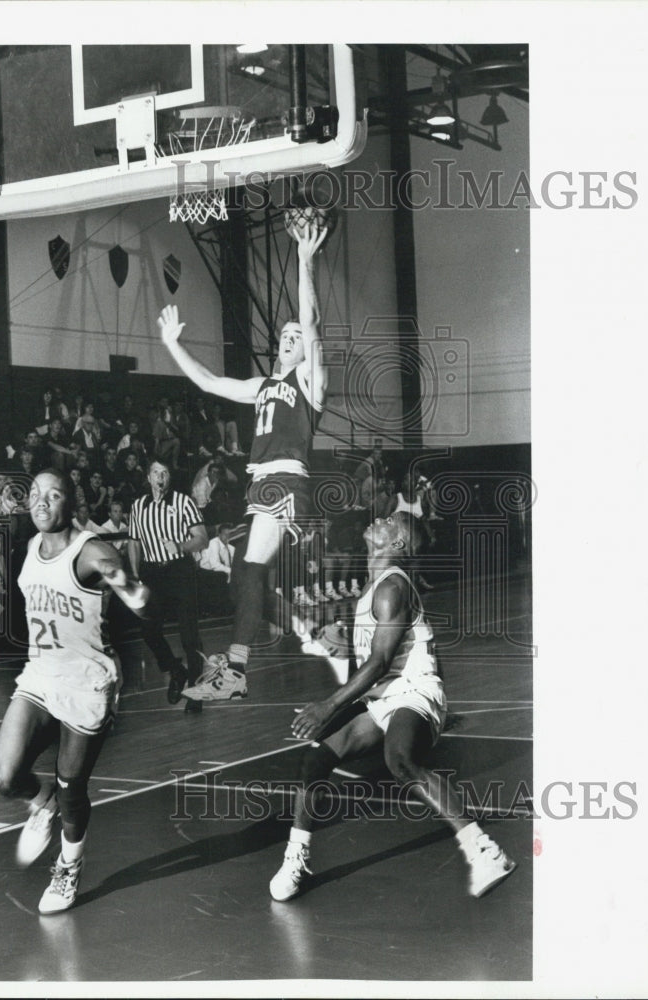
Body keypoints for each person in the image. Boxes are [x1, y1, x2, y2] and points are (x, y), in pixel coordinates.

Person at [269, 511, 516, 902]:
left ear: (397, 543)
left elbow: (380, 662)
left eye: (388, 521)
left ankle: (484, 850)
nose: (378, 520)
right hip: (387, 697)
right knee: (316, 760)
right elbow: (402, 650)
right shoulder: (374, 586)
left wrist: (327, 706)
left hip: (412, 692)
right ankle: (295, 856)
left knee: (398, 759)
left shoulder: (391, 588)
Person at [159, 220, 328, 700]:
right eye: (286, 333)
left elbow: (312, 321)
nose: (291, 334)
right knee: (244, 576)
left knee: (251, 570)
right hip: (259, 485)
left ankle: (235, 673)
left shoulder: (309, 384)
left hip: (285, 481)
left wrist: (303, 258)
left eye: (297, 334)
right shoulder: (263, 387)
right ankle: (308, 630)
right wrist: (174, 346)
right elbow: (211, 383)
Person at [0, 469, 149, 914]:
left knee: (73, 790)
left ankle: (68, 866)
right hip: (41, 675)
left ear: (71, 503)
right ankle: (41, 805)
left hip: (86, 682)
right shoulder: (29, 549)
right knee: (4, 777)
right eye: (35, 494)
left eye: (53, 494)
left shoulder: (91, 551)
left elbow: (137, 594)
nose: (41, 501)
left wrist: (132, 590)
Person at [127, 459, 208, 713]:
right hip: (152, 571)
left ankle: (196, 693)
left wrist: (181, 546)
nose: (160, 477)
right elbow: (133, 542)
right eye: (155, 472)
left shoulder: (183, 502)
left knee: (189, 635)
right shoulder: (138, 506)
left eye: (165, 472)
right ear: (148, 478)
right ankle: (176, 670)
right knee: (149, 630)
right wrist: (135, 573)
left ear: (169, 477)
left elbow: (202, 539)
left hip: (179, 569)